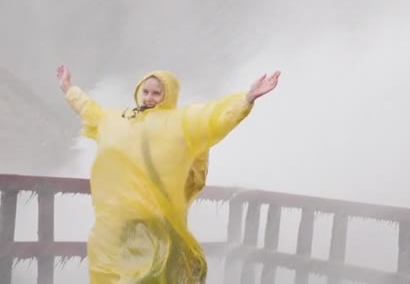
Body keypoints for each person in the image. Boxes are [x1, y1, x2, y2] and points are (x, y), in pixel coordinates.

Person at [56, 64, 280, 283]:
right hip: (125, 222)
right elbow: (90, 110)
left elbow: (213, 117)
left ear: (169, 94)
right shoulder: (121, 120)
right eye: (145, 91)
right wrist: (68, 88)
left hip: (159, 219)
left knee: (156, 272)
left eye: (156, 93)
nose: (149, 97)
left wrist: (246, 98)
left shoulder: (180, 122)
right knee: (127, 273)